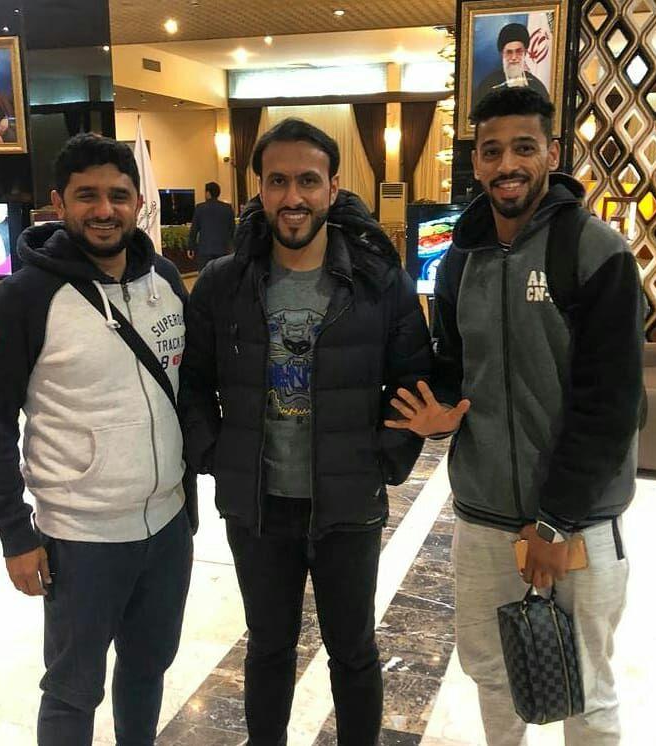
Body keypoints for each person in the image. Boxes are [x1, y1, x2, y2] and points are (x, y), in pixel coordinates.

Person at [180, 117, 468, 746]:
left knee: (354, 651)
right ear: (259, 189)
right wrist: (217, 454)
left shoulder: (377, 282)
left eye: (308, 181)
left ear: (333, 188)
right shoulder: (224, 284)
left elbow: (413, 379)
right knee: (268, 648)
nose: (293, 197)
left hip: (348, 506)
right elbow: (193, 384)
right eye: (278, 181)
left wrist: (381, 460)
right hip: (259, 508)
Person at [387, 87, 643, 745]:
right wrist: (440, 411)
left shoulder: (596, 252)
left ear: (551, 153)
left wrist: (554, 523)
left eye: (523, 148)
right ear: (476, 161)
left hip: (578, 523)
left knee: (586, 694)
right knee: (493, 677)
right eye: (492, 151)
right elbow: (454, 365)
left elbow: (610, 408)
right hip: (484, 520)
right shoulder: (459, 260)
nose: (507, 165)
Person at [0, 133, 197, 746]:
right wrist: (14, 533)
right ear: (59, 203)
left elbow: (188, 389)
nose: (104, 209)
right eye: (87, 195)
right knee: (73, 690)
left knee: (148, 668)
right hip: (81, 537)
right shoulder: (26, 296)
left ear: (138, 202)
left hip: (167, 527)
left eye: (118, 195)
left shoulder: (164, 279)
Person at [471, 23, 550, 112]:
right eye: (509, 52)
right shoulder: (488, 86)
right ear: (502, 54)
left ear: (525, 53)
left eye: (518, 51)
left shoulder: (537, 87)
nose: (514, 57)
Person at [187, 180, 235, 272]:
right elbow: (232, 229)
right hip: (223, 250)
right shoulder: (227, 208)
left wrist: (191, 247)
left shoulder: (200, 208)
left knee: (205, 276)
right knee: (221, 276)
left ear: (208, 193)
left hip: (205, 251)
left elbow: (194, 230)